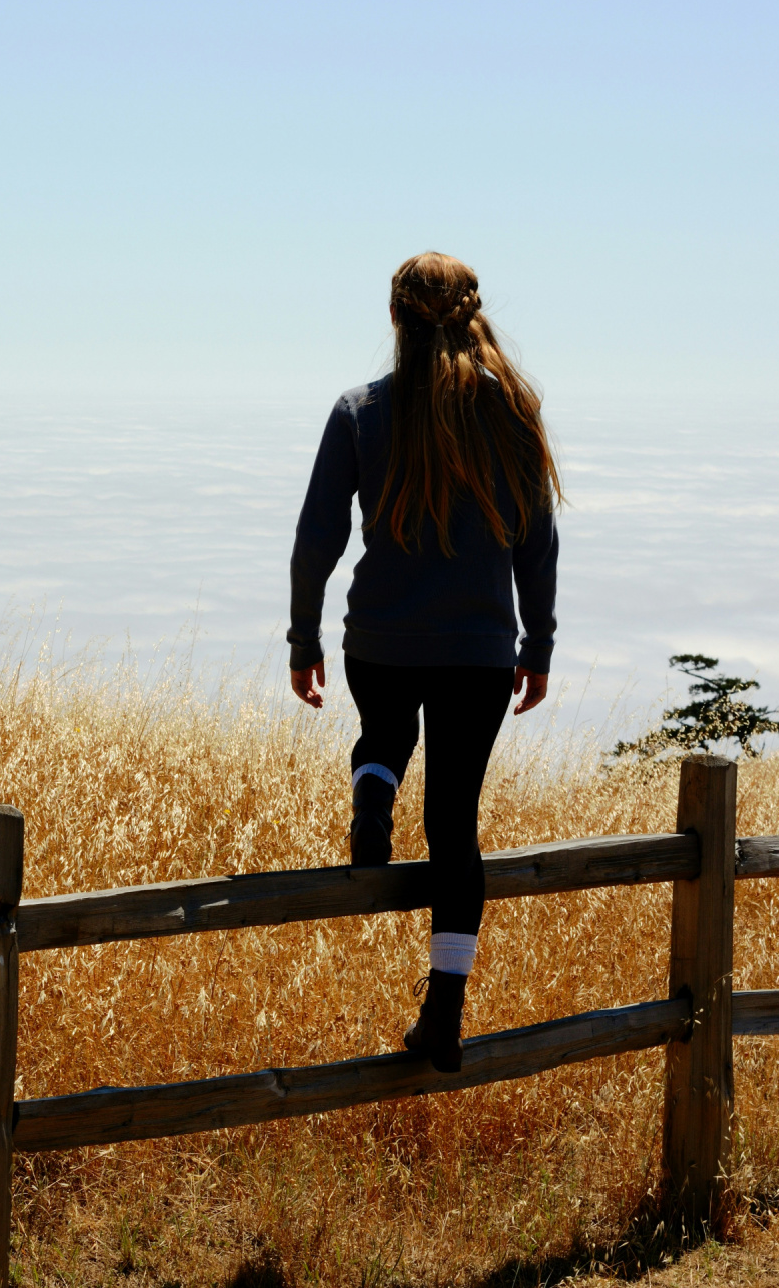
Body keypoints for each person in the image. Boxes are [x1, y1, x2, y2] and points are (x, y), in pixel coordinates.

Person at [287, 251, 560, 1073]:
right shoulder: (512, 408)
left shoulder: (359, 410)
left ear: (397, 318)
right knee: (454, 827)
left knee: (382, 730)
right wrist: (537, 646)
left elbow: (316, 539)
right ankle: (443, 1013)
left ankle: (373, 791)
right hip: (479, 652)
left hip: (379, 640)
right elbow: (538, 542)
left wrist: (304, 640)